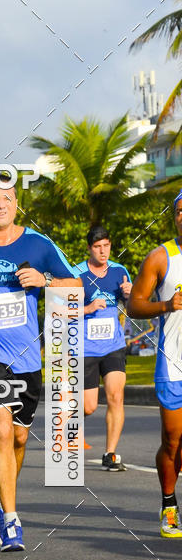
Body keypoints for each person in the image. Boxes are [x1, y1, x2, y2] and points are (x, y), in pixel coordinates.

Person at [0, 180, 81, 551]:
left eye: (6, 199)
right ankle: (11, 519)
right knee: (2, 431)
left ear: (16, 204)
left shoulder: (38, 245)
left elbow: (77, 285)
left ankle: (0, 496)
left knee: (21, 436)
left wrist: (46, 280)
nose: (0, 205)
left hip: (26, 356)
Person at [128, 189, 182, 537]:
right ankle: (168, 503)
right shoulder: (160, 258)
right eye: (180, 211)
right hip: (173, 362)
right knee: (174, 440)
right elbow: (134, 305)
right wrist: (167, 306)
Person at [74, 225, 131, 471]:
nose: (103, 251)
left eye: (106, 245)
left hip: (113, 346)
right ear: (89, 248)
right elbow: (59, 311)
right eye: (97, 247)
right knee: (89, 406)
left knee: (116, 397)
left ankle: (110, 453)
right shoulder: (76, 273)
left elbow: (135, 304)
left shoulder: (119, 271)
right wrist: (86, 309)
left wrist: (130, 294)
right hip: (85, 349)